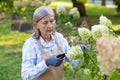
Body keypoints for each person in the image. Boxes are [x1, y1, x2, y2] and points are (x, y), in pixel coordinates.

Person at [21, 6, 87, 80]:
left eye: (52, 21)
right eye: (45, 23)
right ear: (36, 25)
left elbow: (74, 63)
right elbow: (26, 76)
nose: (50, 26)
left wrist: (79, 52)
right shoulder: (31, 44)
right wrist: (46, 63)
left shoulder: (59, 38)